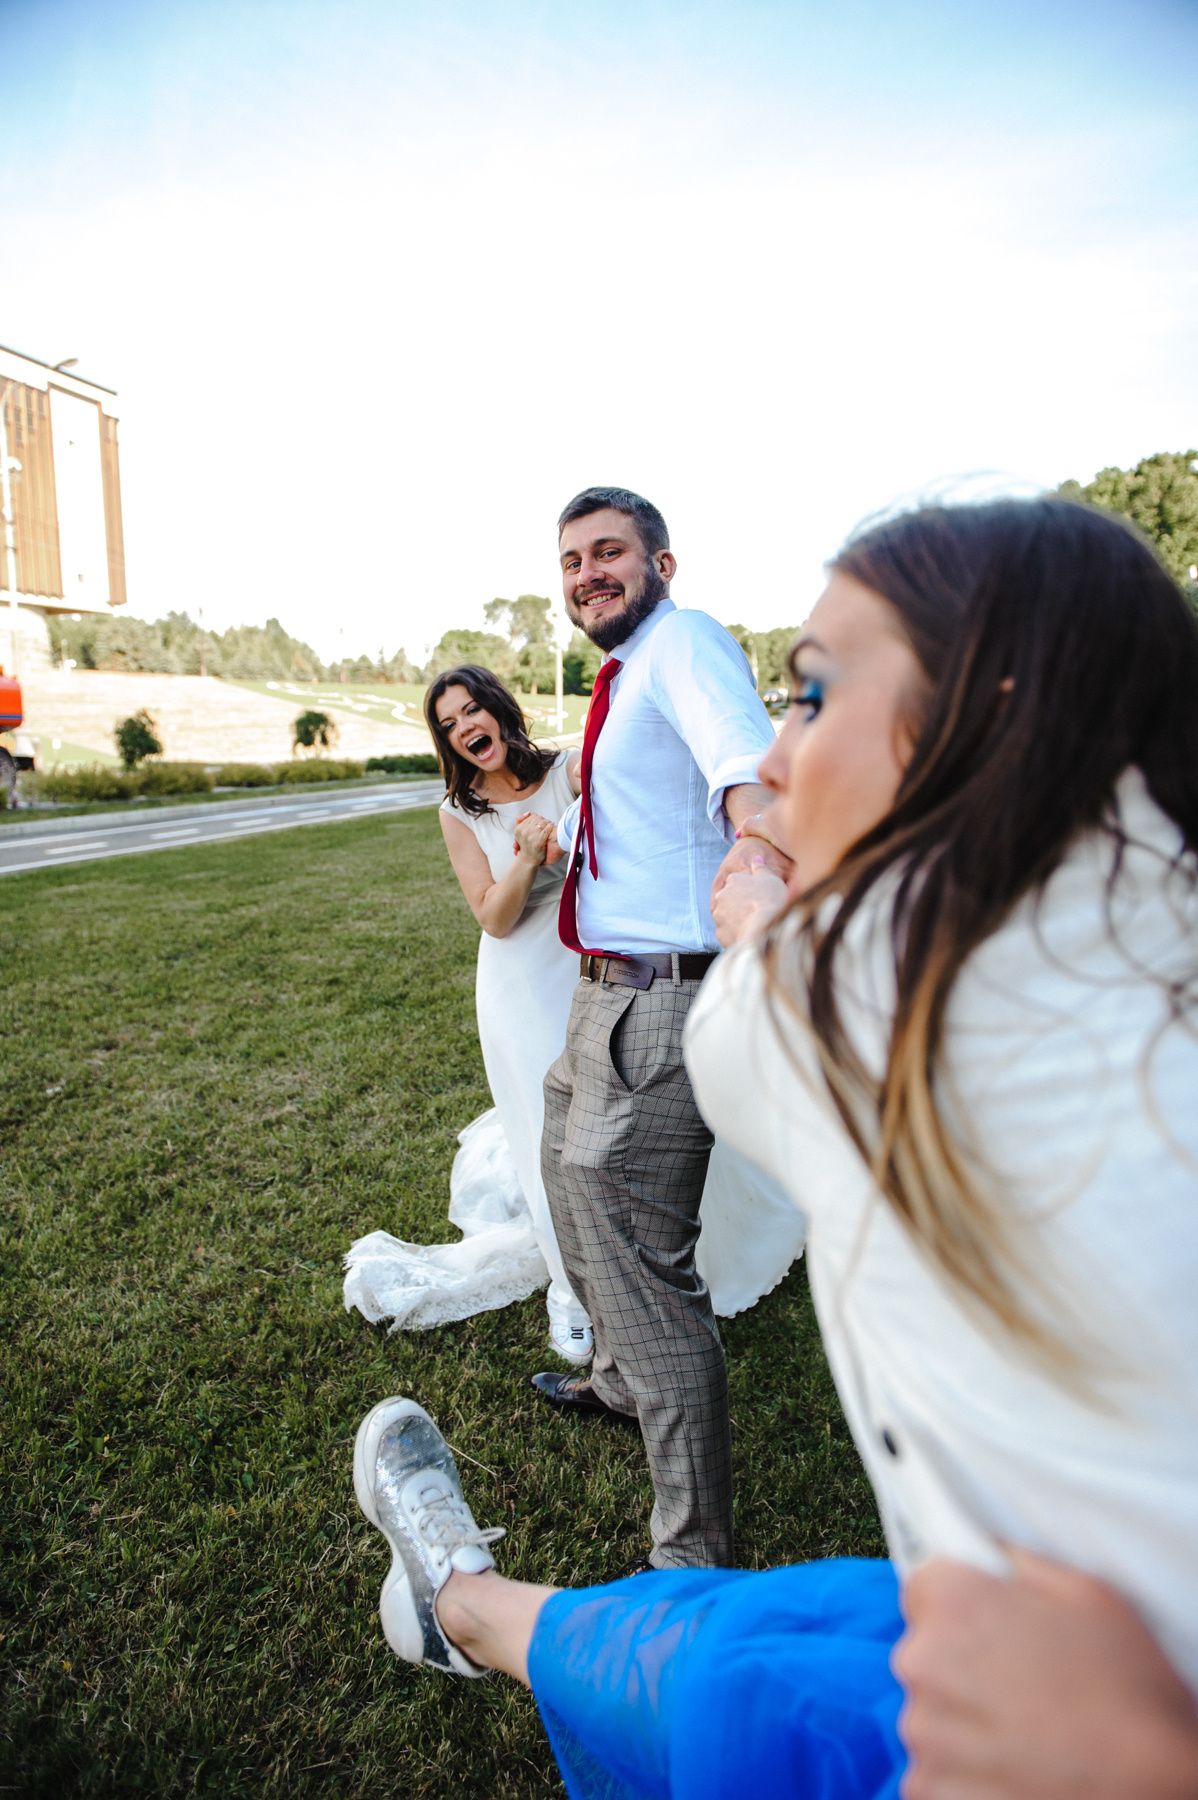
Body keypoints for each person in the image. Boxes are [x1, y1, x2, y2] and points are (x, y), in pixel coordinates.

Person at [352, 496, 1198, 1799]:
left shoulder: (833, 1005)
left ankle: (479, 1601)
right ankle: (502, 1581)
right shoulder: (1074, 928)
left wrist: (754, 901)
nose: (781, 754)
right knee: (823, 1620)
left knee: (744, 1686)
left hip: (1057, 1707)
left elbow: (755, 907)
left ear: (1002, 706)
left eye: (806, 696)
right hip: (588, 983)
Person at [341, 662, 804, 1359]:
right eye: (448, 724)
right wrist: (527, 857)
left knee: (634, 1120)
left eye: (472, 710)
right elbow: (492, 918)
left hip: (599, 962)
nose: (465, 728)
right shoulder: (458, 813)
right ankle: (570, 1286)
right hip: (520, 985)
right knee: (547, 1135)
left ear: (498, 709)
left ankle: (689, 1249)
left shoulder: (570, 770)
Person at [532, 485, 782, 1573]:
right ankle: (623, 1381)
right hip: (605, 984)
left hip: (668, 991)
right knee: (558, 1159)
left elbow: (748, 776)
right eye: (571, 559)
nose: (588, 573)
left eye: (609, 552)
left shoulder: (685, 645)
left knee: (638, 1254)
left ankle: (693, 1556)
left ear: (661, 565)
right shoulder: (628, 675)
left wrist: (761, 859)